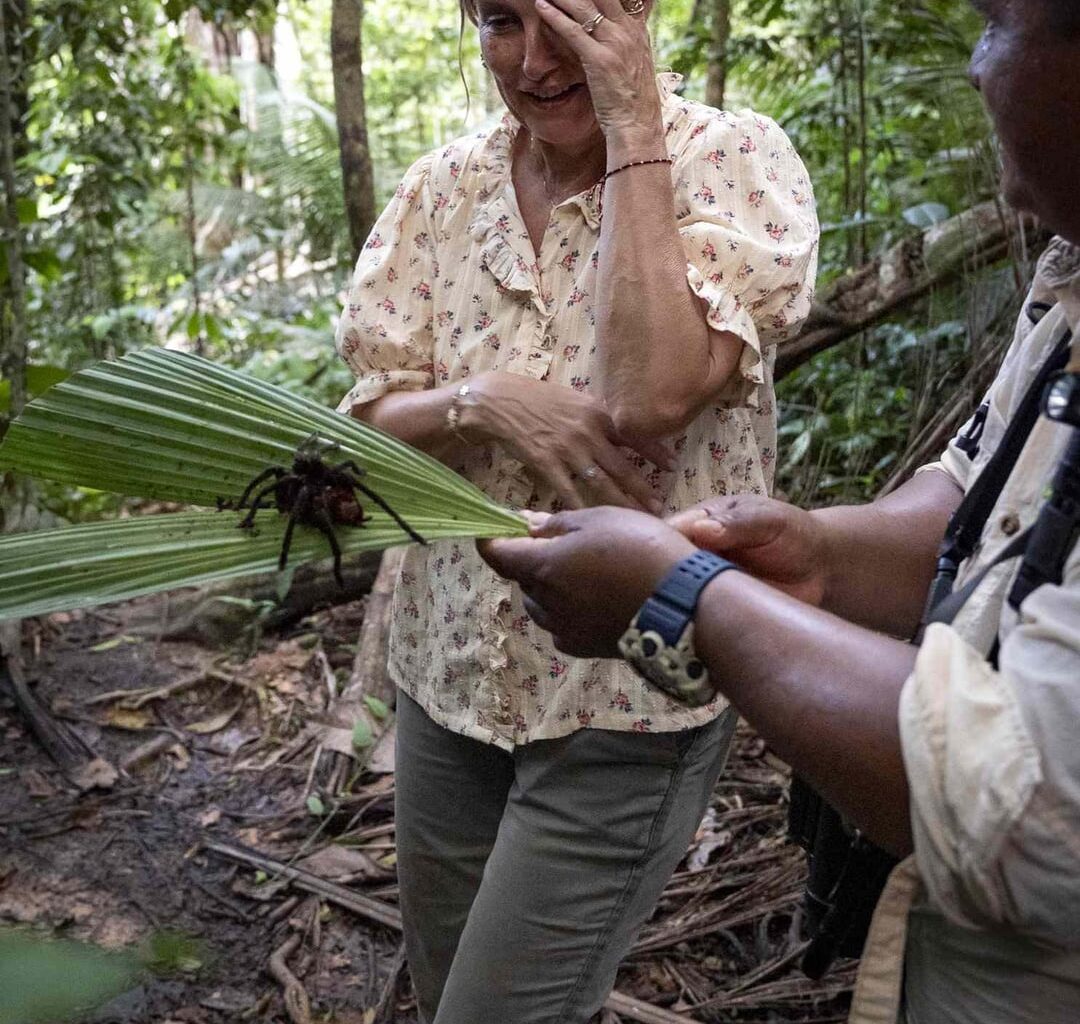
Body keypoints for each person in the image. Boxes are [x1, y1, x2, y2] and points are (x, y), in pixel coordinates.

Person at [481, 1, 1080, 1020]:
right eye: (502, 21)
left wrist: (683, 599)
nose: (975, 67)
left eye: (996, 22)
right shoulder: (1069, 270)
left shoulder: (736, 158)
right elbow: (979, 496)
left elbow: (1026, 802)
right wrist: (817, 549)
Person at [334, 0, 817, 1019]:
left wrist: (633, 122)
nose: (540, 60)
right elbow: (368, 418)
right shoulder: (441, 191)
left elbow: (651, 394)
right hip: (447, 670)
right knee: (446, 985)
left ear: (634, 11)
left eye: (572, 16)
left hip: (625, 697)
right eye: (504, 21)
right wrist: (487, 401)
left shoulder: (731, 161)